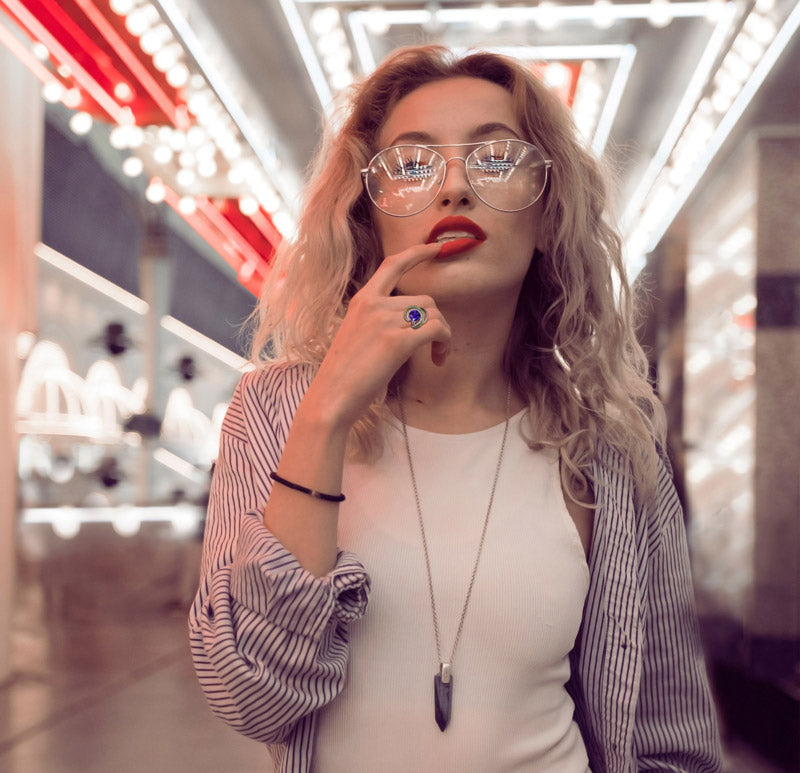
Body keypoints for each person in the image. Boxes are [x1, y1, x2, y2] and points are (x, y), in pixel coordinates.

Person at [189, 45, 723, 772]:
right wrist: (327, 414)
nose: (453, 188)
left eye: (496, 158)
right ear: (368, 221)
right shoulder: (278, 410)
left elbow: (670, 737)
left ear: (545, 220)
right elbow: (252, 695)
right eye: (411, 165)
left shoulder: (608, 445)